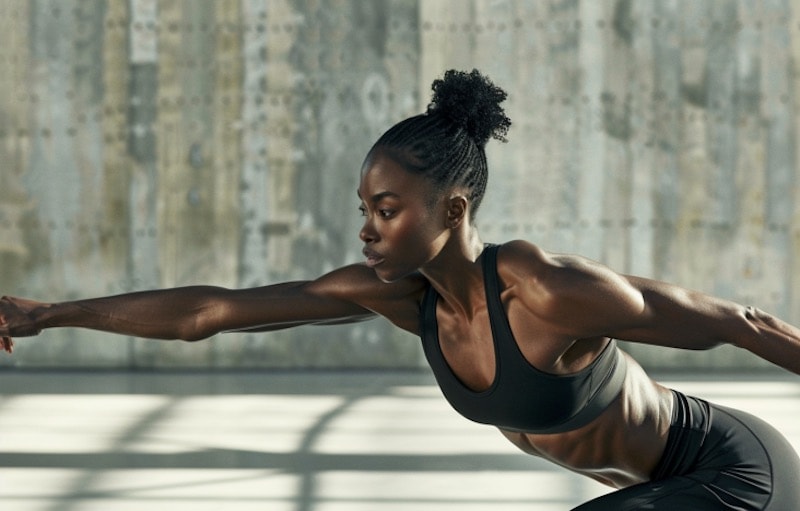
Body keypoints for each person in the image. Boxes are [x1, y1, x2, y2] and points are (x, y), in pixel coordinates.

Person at [2, 69, 800, 510]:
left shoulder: (545, 291)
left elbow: (738, 321)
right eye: (363, 210)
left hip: (736, 470)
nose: (368, 230)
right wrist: (50, 313)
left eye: (387, 210)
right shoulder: (402, 296)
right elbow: (211, 311)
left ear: (452, 209)